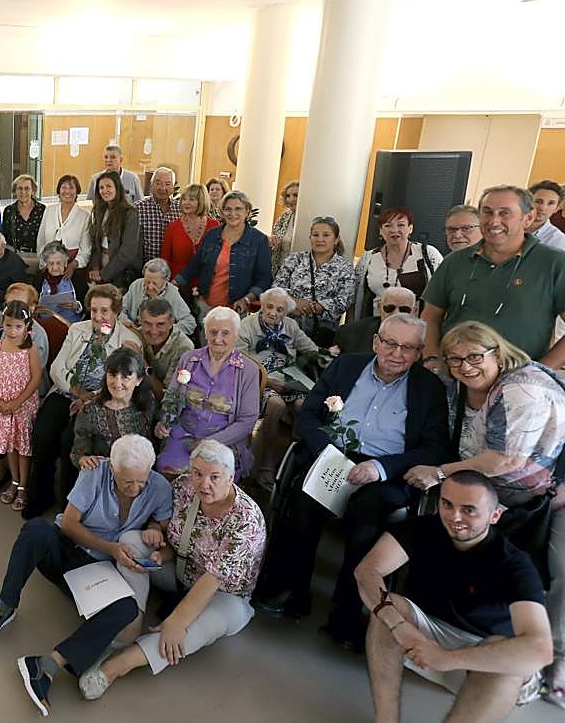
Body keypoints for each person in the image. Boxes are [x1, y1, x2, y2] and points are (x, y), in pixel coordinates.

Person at [253, 313, 450, 651]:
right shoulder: (346, 366)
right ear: (376, 342)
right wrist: (328, 452)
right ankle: (290, 592)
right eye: (389, 343)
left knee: (366, 515)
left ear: (419, 353)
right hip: (332, 456)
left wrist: (382, 468)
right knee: (303, 501)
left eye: (407, 347)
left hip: (384, 471)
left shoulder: (428, 389)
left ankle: (349, 613)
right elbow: (310, 415)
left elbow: (434, 447)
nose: (396, 353)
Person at [402, 321, 565, 700]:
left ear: (498, 352)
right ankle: (448, 639)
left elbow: (506, 459)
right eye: (455, 358)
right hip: (497, 494)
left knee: (560, 572)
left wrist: (439, 473)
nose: (465, 365)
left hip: (551, 494)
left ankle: (553, 666)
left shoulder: (522, 387)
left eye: (475, 356)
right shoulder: (461, 385)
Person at [0, 435, 172, 717]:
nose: (136, 489)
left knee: (127, 609)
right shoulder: (94, 473)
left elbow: (162, 521)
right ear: (112, 468)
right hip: (70, 550)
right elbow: (68, 524)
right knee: (36, 530)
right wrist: (111, 548)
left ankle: (47, 665)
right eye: (128, 481)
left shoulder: (159, 487)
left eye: (142, 481)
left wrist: (154, 527)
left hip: (98, 571)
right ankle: (5, 605)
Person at [356, 471, 552, 722]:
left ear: (494, 516)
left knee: (509, 665)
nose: (454, 517)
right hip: (425, 636)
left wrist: (448, 659)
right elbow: (367, 571)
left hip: (481, 652)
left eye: (469, 510)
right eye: (447, 504)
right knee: (387, 606)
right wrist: (399, 625)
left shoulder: (514, 564)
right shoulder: (421, 528)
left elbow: (540, 650)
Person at [79, 440, 266, 701]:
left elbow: (212, 579)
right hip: (180, 571)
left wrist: (177, 621)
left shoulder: (246, 520)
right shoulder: (182, 487)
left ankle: (115, 667)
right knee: (132, 541)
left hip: (223, 594)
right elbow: (169, 526)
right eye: (198, 474)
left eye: (215, 477)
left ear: (231, 477)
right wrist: (158, 538)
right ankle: (129, 626)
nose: (204, 484)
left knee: (190, 631)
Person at [24, 284, 142, 518]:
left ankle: (69, 508)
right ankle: (40, 495)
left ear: (116, 311)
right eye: (94, 310)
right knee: (43, 432)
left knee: (71, 440)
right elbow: (57, 368)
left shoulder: (127, 340)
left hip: (100, 402)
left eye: (105, 311)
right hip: (67, 392)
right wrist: (78, 392)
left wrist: (92, 399)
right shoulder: (78, 329)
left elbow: (124, 383)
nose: (98, 316)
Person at [422, 184, 565, 367]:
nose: (494, 221)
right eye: (487, 212)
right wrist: (432, 359)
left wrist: (539, 372)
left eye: (505, 213)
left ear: (528, 218)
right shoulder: (455, 261)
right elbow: (430, 316)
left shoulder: (554, 263)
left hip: (517, 384)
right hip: (455, 375)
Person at [154, 307, 261, 479]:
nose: (218, 339)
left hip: (223, 442)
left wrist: (210, 442)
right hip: (185, 435)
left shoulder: (248, 370)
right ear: (205, 333)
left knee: (208, 479)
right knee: (167, 470)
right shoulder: (189, 359)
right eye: (213, 332)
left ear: (236, 335)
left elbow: (247, 420)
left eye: (225, 333)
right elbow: (172, 396)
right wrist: (165, 420)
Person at [238, 287, 319, 486]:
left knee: (304, 405)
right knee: (276, 404)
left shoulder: (290, 326)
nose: (273, 313)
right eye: (269, 307)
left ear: (287, 312)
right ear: (262, 306)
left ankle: (296, 462)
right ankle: (267, 461)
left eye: (280, 310)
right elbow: (239, 359)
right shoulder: (247, 325)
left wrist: (324, 355)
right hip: (258, 380)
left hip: (289, 378)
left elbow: (310, 349)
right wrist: (268, 381)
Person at [0, 301, 43, 512]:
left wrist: (17, 403)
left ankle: (23, 487)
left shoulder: (31, 349)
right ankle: (14, 481)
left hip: (22, 406)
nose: (12, 330)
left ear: (27, 326)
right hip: (2, 405)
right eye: (8, 325)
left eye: (18, 326)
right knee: (9, 445)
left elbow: (36, 379)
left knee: (23, 448)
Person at [174, 190, 271, 318]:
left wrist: (247, 299)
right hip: (205, 306)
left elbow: (264, 279)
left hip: (236, 310)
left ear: (247, 211)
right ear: (222, 212)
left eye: (238, 209)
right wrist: (173, 284)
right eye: (227, 209)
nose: (232, 213)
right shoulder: (212, 235)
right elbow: (194, 265)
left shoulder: (259, 240)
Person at [273, 215, 356, 346]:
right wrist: (293, 303)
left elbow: (346, 298)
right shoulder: (295, 259)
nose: (320, 239)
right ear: (310, 238)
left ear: (336, 239)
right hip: (286, 330)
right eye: (315, 235)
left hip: (321, 336)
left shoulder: (345, 267)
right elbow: (276, 288)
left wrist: (319, 307)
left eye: (326, 235)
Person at [351, 207, 443, 320]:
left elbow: (442, 292)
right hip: (377, 325)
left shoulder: (429, 254)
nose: (394, 230)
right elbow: (355, 299)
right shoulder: (367, 259)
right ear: (380, 230)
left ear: (410, 228)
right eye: (388, 225)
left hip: (417, 326)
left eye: (401, 225)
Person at [72, 348, 154, 469]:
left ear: (139, 380)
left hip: (140, 471)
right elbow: (78, 452)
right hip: (103, 472)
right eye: (112, 375)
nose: (117, 383)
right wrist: (83, 459)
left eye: (125, 377)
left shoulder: (147, 403)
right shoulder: (89, 410)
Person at [87, 171, 142, 289]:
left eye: (108, 186)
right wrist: (95, 267)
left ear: (117, 187)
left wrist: (104, 274)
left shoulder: (130, 214)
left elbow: (128, 253)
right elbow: (95, 242)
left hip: (121, 269)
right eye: (101, 187)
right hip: (102, 262)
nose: (104, 190)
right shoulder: (99, 211)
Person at [36, 174, 92, 285]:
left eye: (71, 188)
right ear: (59, 190)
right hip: (48, 265)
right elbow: (41, 240)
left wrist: (72, 265)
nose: (67, 191)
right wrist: (45, 263)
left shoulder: (84, 216)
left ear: (77, 191)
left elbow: (86, 249)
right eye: (64, 187)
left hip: (72, 269)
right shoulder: (49, 210)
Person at [120, 257, 196, 336]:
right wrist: (126, 321)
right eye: (147, 282)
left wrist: (165, 329)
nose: (150, 287)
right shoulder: (136, 285)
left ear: (166, 280)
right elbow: (119, 310)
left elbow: (189, 323)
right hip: (134, 334)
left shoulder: (172, 293)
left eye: (155, 283)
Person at [334, 286, 418, 355]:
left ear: (414, 312)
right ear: (379, 308)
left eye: (404, 310)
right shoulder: (350, 333)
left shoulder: (422, 339)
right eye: (389, 308)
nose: (396, 314)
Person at [159, 182, 218, 281]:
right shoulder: (173, 227)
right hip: (177, 283)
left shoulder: (214, 225)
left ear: (201, 201)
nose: (186, 203)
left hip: (205, 284)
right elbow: (164, 260)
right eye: (184, 199)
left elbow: (218, 259)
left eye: (191, 199)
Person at [139, 297, 194, 399]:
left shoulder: (184, 348)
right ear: (140, 321)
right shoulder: (137, 335)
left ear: (171, 322)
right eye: (148, 324)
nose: (154, 331)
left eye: (160, 324)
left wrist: (144, 365)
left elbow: (168, 397)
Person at [135, 167, 182, 264]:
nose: (162, 188)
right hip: (144, 269)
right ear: (151, 185)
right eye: (158, 183)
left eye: (167, 184)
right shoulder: (138, 208)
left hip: (173, 269)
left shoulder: (181, 209)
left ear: (173, 187)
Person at [39, 241, 84, 322]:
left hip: (71, 325)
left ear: (66, 263)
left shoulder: (76, 278)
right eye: (51, 263)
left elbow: (88, 304)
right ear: (46, 264)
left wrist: (78, 306)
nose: (55, 268)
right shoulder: (39, 279)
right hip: (44, 324)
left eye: (59, 263)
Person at [2, 174, 45, 257]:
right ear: (15, 191)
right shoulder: (9, 210)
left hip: (38, 257)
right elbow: (4, 237)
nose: (23, 192)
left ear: (33, 191)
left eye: (27, 188)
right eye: (20, 188)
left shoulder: (42, 210)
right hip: (14, 258)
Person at [269, 180, 300, 275]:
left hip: (301, 271)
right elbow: (275, 240)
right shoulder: (283, 217)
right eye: (288, 196)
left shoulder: (310, 218)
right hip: (280, 270)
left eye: (295, 195)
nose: (291, 199)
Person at [528, 179, 565, 252]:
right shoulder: (510, 226)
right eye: (538, 201)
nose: (543, 208)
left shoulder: (558, 240)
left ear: (557, 208)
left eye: (551, 203)